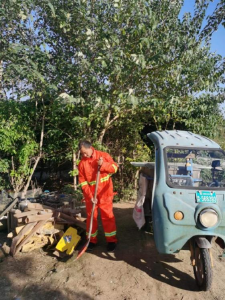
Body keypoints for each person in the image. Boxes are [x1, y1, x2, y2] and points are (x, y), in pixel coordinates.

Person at [78, 140, 118, 252]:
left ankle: (111, 241)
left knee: (107, 216)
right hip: (91, 195)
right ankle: (91, 240)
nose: (84, 155)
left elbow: (115, 168)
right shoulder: (82, 163)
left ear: (91, 147)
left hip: (105, 192)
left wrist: (103, 165)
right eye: (82, 154)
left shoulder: (103, 156)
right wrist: (90, 196)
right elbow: (83, 182)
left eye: (86, 152)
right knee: (91, 217)